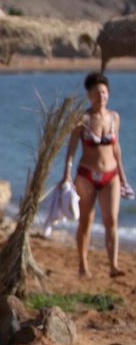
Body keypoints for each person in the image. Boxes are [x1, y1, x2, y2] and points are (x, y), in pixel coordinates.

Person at [62, 72, 132, 278]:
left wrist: (123, 176)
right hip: (86, 176)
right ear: (89, 95)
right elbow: (72, 148)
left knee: (111, 220)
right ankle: (83, 266)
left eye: (104, 92)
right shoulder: (82, 119)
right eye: (97, 92)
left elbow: (116, 147)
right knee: (86, 220)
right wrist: (66, 174)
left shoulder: (114, 117)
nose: (102, 96)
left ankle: (113, 265)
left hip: (111, 175)